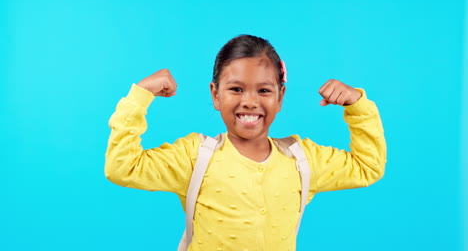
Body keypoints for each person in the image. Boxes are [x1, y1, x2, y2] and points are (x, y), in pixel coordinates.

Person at [105, 34, 386, 251]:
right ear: (215, 95)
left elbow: (367, 167)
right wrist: (139, 97)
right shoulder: (194, 157)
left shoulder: (302, 160)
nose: (250, 101)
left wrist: (358, 106)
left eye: (264, 90)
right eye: (236, 89)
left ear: (280, 97)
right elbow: (122, 168)